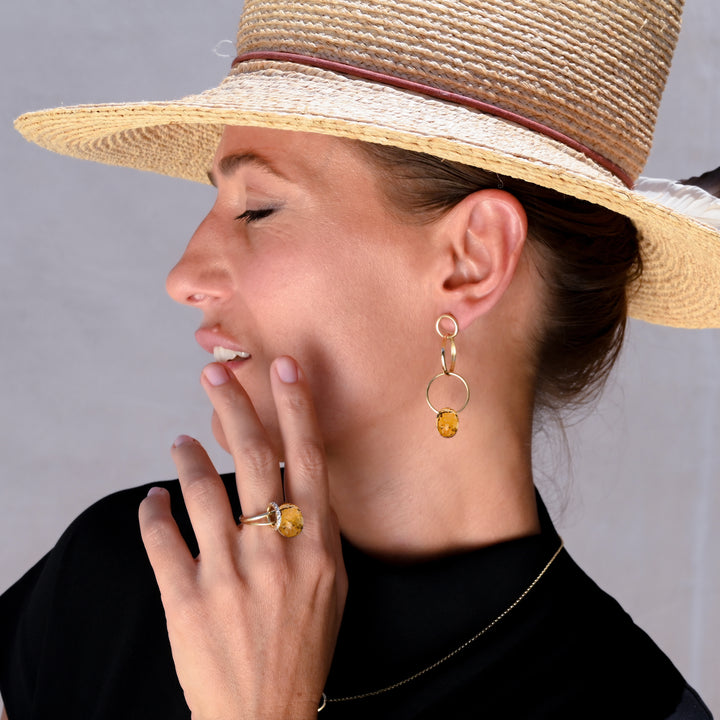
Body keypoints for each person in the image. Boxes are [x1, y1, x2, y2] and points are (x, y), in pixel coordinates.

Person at [1, 0, 719, 718]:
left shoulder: (627, 707)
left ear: (472, 259)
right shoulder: (130, 570)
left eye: (258, 209)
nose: (184, 276)